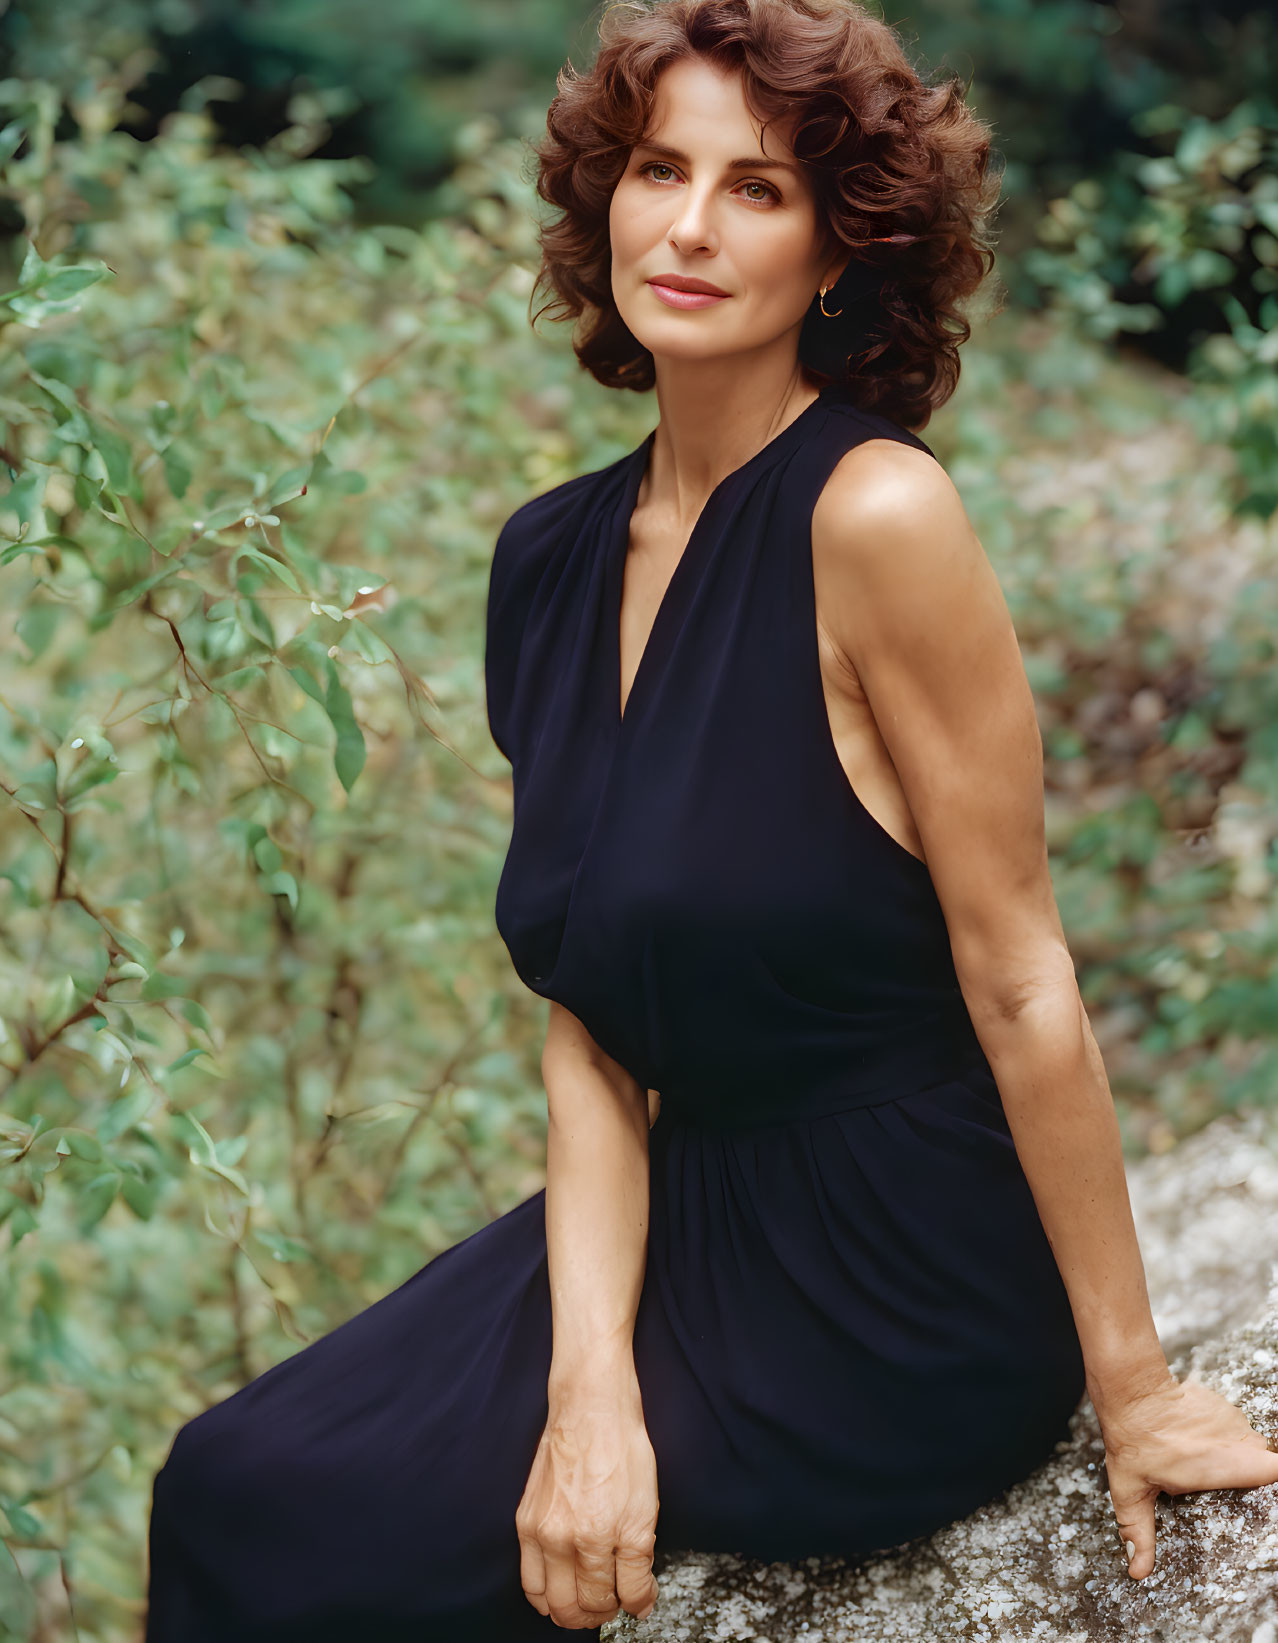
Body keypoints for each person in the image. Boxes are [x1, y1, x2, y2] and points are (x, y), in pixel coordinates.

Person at [143, 1, 1278, 1637]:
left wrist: (1137, 1387)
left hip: (896, 1271)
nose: (683, 225)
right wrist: (586, 1392)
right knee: (231, 1476)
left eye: (755, 189)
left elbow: (1022, 976)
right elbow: (592, 1027)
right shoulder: (546, 561)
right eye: (656, 168)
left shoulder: (875, 514)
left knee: (339, 1540)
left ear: (839, 252)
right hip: (678, 1211)